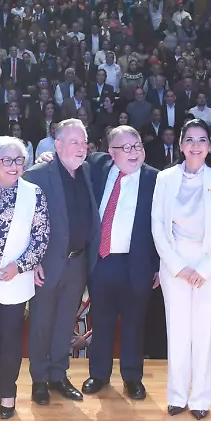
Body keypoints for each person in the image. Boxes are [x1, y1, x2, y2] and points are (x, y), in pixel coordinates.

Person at [150, 119, 211, 418]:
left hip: (210, 266)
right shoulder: (165, 178)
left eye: (202, 140)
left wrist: (204, 267)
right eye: (189, 139)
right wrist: (178, 266)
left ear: (210, 145)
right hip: (174, 263)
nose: (196, 145)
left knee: (204, 332)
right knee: (177, 331)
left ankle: (200, 399)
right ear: (180, 144)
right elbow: (158, 226)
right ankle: (176, 395)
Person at [0, 137, 50, 419]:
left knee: (10, 337)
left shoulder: (33, 193)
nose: (14, 166)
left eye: (19, 160)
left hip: (13, 279)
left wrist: (21, 265)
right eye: (7, 160)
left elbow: (41, 238)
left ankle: (9, 392)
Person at [22, 119, 99, 406]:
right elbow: (23, 223)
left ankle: (58, 375)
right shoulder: (37, 174)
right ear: (58, 145)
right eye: (74, 142)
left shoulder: (88, 171)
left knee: (66, 323)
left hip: (77, 262)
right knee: (42, 323)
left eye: (84, 142)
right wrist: (32, 261)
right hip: (46, 264)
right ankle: (39, 380)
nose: (81, 148)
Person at [80, 125, 160, 401]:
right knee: (101, 322)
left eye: (136, 145)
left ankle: (132, 377)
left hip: (136, 263)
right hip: (101, 261)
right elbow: (69, 161)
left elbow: (165, 225)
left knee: (134, 324)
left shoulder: (155, 179)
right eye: (125, 148)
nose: (133, 152)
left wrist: (159, 265)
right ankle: (99, 374)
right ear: (110, 152)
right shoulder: (97, 167)